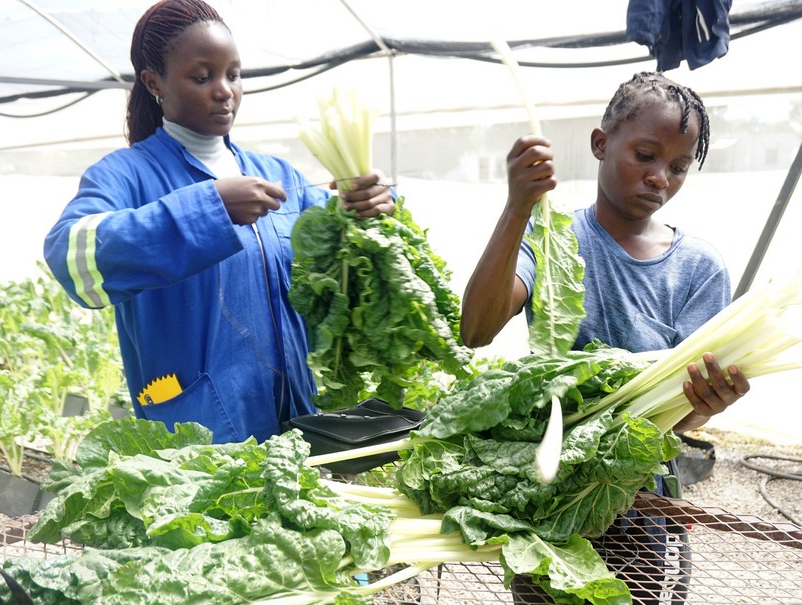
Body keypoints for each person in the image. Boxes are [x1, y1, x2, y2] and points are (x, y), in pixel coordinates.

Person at [43, 0, 394, 445]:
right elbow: (72, 260)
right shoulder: (125, 175)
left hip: (300, 428)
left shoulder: (277, 174)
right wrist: (209, 209)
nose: (224, 89)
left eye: (234, 74)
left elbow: (335, 234)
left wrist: (370, 200)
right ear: (155, 83)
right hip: (199, 441)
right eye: (202, 76)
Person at [460, 72, 750, 604]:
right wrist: (517, 208)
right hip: (546, 490)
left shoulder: (698, 267)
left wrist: (709, 405)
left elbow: (686, 414)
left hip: (639, 499)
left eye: (679, 167)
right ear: (600, 143)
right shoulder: (551, 237)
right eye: (645, 155)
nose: (660, 177)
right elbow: (477, 328)